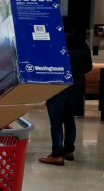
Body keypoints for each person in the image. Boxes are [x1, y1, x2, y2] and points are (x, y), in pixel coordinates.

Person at [39, 16, 93, 166]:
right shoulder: (83, 44)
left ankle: (57, 154)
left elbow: (46, 66)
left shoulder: (55, 44)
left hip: (57, 86)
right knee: (70, 119)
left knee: (56, 122)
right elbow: (88, 67)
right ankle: (69, 151)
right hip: (76, 88)